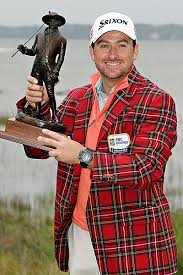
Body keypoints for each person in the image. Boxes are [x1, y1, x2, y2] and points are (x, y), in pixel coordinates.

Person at [16, 12, 177, 275]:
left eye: (122, 44)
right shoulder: (77, 99)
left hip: (133, 243)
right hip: (79, 236)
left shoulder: (156, 100)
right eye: (104, 45)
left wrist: (82, 156)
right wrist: (38, 106)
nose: (112, 53)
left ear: (135, 51)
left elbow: (145, 169)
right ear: (92, 52)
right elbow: (37, 149)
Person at [17, 11, 67, 122]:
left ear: (59, 23)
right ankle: (38, 111)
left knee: (50, 93)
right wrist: (24, 50)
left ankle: (54, 116)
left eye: (56, 20)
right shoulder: (39, 36)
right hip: (37, 67)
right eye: (50, 19)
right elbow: (33, 51)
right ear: (47, 21)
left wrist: (56, 71)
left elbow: (61, 58)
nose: (53, 22)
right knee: (38, 90)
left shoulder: (61, 39)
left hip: (49, 70)